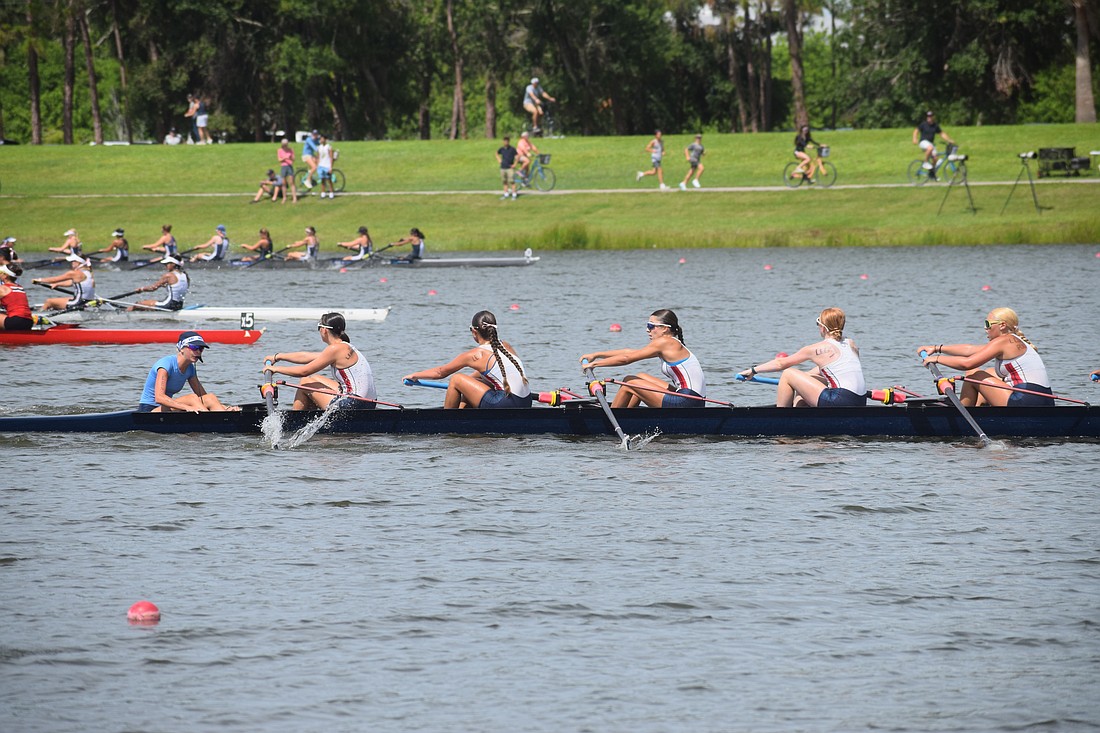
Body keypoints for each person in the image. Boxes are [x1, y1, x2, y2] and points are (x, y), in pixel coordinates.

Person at [917, 307, 1053, 406]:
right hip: (1043, 400)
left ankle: (961, 413)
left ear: (1002, 326)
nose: (985, 328)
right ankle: (979, 410)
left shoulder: (1004, 341)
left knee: (974, 376)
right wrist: (936, 348)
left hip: (1026, 401)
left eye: (988, 324)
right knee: (987, 373)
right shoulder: (1012, 340)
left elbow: (968, 363)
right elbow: (970, 350)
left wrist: (937, 359)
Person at [738, 307, 867, 407]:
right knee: (805, 378)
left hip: (839, 401)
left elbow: (780, 364)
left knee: (788, 374)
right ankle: (801, 412)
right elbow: (828, 371)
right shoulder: (851, 344)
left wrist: (753, 370)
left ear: (822, 328)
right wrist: (800, 382)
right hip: (860, 401)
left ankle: (781, 420)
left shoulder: (816, 349)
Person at [403, 310, 532, 409]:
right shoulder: (506, 346)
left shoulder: (477, 354)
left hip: (504, 404)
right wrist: (469, 382)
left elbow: (441, 372)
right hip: (526, 402)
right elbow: (494, 371)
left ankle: (447, 423)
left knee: (456, 379)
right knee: (470, 382)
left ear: (474, 332)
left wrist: (415, 375)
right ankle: (465, 415)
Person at [580, 309, 706, 408]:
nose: (647, 330)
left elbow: (626, 359)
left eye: (651, 326)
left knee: (630, 382)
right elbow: (629, 352)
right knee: (641, 377)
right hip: (691, 399)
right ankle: (629, 416)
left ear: (665, 329)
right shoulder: (670, 343)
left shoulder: (665, 342)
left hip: (688, 402)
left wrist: (594, 365)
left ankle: (611, 420)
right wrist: (596, 355)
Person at [265, 312, 377, 410]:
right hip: (368, 403)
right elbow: (306, 356)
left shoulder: (335, 349)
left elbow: (304, 371)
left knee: (305, 382)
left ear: (324, 330)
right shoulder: (343, 347)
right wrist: (277, 357)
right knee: (312, 379)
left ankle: (294, 421)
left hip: (354, 404)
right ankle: (310, 413)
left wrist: (275, 369)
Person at [138, 331, 236, 412]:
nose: (198, 351)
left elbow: (203, 397)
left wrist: (225, 408)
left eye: (201, 349)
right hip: (149, 410)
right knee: (192, 398)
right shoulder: (165, 365)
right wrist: (187, 407)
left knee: (210, 397)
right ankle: (212, 423)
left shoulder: (190, 368)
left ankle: (225, 418)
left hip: (167, 408)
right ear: (182, 348)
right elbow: (159, 398)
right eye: (194, 347)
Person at [32, 254, 97, 311]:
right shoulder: (88, 272)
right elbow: (71, 282)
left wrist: (39, 280)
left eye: (72, 261)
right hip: (88, 302)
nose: (71, 263)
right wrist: (58, 284)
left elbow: (55, 279)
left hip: (78, 303)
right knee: (66, 299)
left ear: (77, 262)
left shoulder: (73, 273)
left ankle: (39, 316)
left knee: (49, 301)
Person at [912, 110, 955, 178]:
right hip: (923, 142)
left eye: (930, 116)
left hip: (930, 143)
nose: (929, 118)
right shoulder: (923, 124)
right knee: (930, 148)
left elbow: (942, 134)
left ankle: (931, 173)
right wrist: (914, 138)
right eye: (928, 116)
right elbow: (916, 130)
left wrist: (949, 140)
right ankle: (925, 163)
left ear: (933, 117)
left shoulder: (935, 125)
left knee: (935, 158)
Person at [0, 262, 33, 331]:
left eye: (0, 272)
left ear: (5, 276)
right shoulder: (19, 287)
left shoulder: (3, 288)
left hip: (15, 321)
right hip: (28, 322)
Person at [496, 136, 518, 200]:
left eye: (507, 141)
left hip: (510, 168)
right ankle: (506, 194)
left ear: (509, 141)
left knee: (512, 181)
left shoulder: (512, 149)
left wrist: (515, 164)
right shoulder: (501, 149)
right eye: (505, 141)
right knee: (504, 181)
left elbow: (517, 156)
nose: (506, 142)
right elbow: (496, 153)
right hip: (503, 167)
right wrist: (499, 160)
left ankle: (514, 194)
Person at [278, 138, 298, 203]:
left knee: (292, 182)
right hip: (283, 166)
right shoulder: (279, 150)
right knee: (283, 183)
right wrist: (284, 158)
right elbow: (279, 159)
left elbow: (293, 158)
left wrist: (290, 158)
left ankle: (294, 197)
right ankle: (284, 197)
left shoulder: (290, 150)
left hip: (289, 166)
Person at [316, 135, 336, 199]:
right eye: (320, 139)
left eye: (322, 139)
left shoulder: (329, 147)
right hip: (321, 165)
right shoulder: (319, 147)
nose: (321, 140)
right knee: (322, 180)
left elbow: (331, 157)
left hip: (327, 165)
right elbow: (318, 156)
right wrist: (317, 164)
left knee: (329, 180)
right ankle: (323, 193)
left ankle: (331, 193)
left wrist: (330, 167)